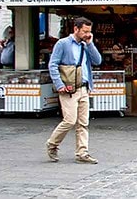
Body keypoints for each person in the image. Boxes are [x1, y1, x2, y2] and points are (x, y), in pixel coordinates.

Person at [46, 17, 102, 164]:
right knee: (70, 120)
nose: (87, 34)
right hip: (69, 88)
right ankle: (52, 144)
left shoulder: (86, 45)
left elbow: (97, 61)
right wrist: (59, 84)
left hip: (84, 87)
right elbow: (53, 65)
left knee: (83, 123)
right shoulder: (63, 44)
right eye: (85, 31)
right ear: (76, 29)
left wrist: (90, 44)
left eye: (89, 31)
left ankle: (82, 152)